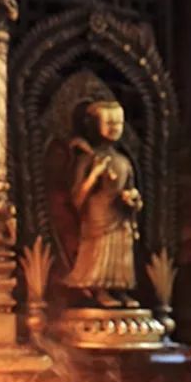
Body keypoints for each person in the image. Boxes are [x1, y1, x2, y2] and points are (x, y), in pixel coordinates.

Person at [60, 100, 142, 308]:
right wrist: (94, 175)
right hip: (98, 213)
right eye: (109, 123)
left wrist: (132, 198)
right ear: (95, 125)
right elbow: (76, 195)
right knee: (99, 250)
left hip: (120, 214)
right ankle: (100, 290)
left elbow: (131, 189)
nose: (114, 128)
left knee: (121, 251)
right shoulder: (88, 159)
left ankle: (119, 289)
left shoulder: (123, 161)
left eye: (118, 123)